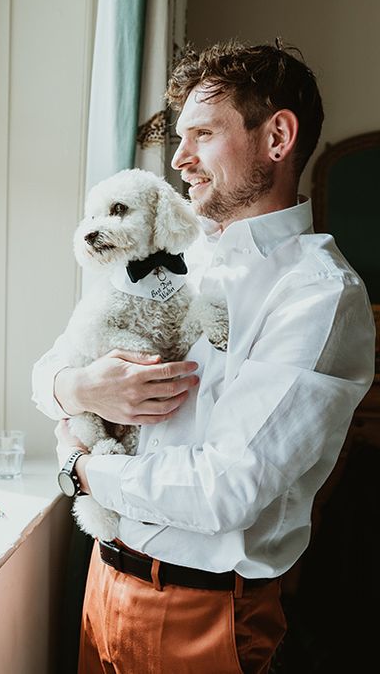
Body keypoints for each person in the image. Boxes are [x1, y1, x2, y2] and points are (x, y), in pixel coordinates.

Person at [32, 40, 375, 674]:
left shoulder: (319, 294)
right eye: (179, 138)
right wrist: (81, 390)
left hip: (202, 616)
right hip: (101, 583)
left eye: (203, 135)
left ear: (277, 137)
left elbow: (227, 490)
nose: (181, 160)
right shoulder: (171, 256)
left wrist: (81, 472)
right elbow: (48, 369)